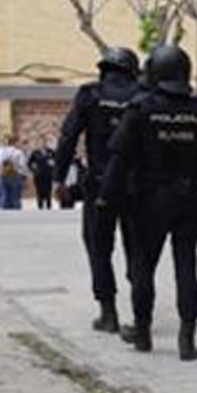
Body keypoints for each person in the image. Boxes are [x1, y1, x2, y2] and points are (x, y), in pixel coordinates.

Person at [99, 44, 197, 361]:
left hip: (148, 201)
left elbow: (119, 160)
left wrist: (105, 199)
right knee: (187, 267)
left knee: (143, 268)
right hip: (188, 201)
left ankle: (143, 333)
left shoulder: (140, 110)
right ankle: (187, 337)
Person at [55, 47, 142, 334]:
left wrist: (59, 179)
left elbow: (68, 137)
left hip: (100, 185)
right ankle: (141, 314)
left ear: (104, 69)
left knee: (98, 247)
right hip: (135, 187)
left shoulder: (90, 95)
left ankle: (109, 313)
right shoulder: (143, 96)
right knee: (137, 249)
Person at [0, 134, 28, 210]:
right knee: (16, 196)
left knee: (3, 194)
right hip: (15, 175)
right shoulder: (18, 152)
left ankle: (3, 210)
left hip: (2, 175)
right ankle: (16, 212)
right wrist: (24, 176)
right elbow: (23, 165)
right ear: (14, 142)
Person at [28, 145, 56, 210]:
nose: (43, 143)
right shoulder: (35, 153)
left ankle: (49, 206)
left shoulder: (51, 152)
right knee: (39, 190)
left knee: (48, 190)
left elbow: (56, 161)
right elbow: (29, 163)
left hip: (48, 175)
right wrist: (34, 170)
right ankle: (40, 206)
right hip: (38, 175)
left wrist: (52, 166)